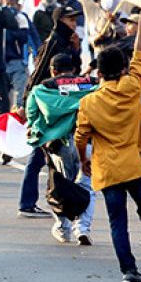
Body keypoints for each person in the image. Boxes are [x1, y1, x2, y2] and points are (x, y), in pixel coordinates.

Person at [75, 4, 141, 282]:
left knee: (117, 223)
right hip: (134, 164)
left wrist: (84, 159)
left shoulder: (89, 102)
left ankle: (130, 272)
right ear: (121, 69)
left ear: (99, 73)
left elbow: (80, 137)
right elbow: (140, 57)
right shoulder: (131, 87)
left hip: (107, 170)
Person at [24, 53, 98, 244]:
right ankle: (82, 228)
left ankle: (63, 228)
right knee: (87, 186)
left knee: (62, 186)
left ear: (53, 70)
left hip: (59, 144)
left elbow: (32, 117)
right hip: (89, 141)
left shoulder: (43, 88)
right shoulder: (93, 84)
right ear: (73, 69)